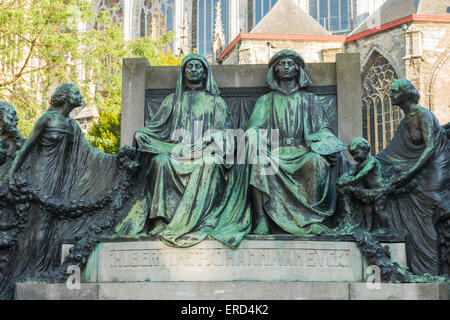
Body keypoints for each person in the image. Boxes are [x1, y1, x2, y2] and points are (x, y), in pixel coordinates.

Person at [0, 83, 137, 299]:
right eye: (75, 93)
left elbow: (88, 153)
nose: (79, 96)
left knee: (52, 224)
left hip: (62, 177)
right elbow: (27, 148)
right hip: (41, 174)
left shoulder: (72, 125)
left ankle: (44, 268)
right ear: (65, 97)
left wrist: (116, 162)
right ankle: (34, 269)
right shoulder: (47, 119)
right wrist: (11, 174)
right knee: (41, 224)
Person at [115, 54, 251, 248]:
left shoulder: (216, 103)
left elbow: (226, 133)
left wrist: (212, 139)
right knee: (160, 162)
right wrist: (141, 134)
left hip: (205, 153)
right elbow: (156, 127)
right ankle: (160, 220)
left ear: (205, 73)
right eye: (190, 67)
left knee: (210, 163)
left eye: (198, 67)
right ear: (184, 73)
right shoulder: (172, 100)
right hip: (175, 152)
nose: (194, 70)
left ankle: (201, 219)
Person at [247, 49, 347, 235]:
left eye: (290, 64)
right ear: (275, 70)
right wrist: (254, 137)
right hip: (275, 152)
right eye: (282, 64)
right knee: (259, 161)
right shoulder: (265, 101)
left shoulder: (310, 100)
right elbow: (254, 128)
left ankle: (313, 219)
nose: (286, 67)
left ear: (297, 70)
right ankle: (262, 219)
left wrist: (326, 142)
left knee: (316, 161)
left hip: (303, 151)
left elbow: (323, 128)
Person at [377, 79, 449, 276]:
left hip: (435, 169)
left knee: (427, 217)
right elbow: (392, 153)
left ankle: (433, 270)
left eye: (393, 91)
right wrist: (371, 163)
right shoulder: (405, 119)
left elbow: (431, 147)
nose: (389, 95)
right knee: (416, 217)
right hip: (421, 168)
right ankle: (421, 267)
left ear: (405, 94)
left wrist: (408, 175)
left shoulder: (422, 114)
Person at [336, 137, 388, 232]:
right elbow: (347, 174)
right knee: (367, 211)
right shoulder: (357, 165)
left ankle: (384, 228)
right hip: (369, 191)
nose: (355, 157)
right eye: (353, 155)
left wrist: (351, 180)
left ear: (365, 149)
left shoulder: (372, 161)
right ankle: (368, 228)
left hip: (380, 190)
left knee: (379, 209)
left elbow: (363, 173)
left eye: (356, 153)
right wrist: (341, 180)